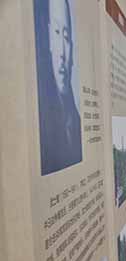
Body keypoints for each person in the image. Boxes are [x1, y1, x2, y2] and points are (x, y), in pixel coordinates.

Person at [35, 0, 82, 175]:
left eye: (66, 37)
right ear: (47, 36)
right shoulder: (42, 117)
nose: (62, 52)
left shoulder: (76, 122)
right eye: (56, 32)